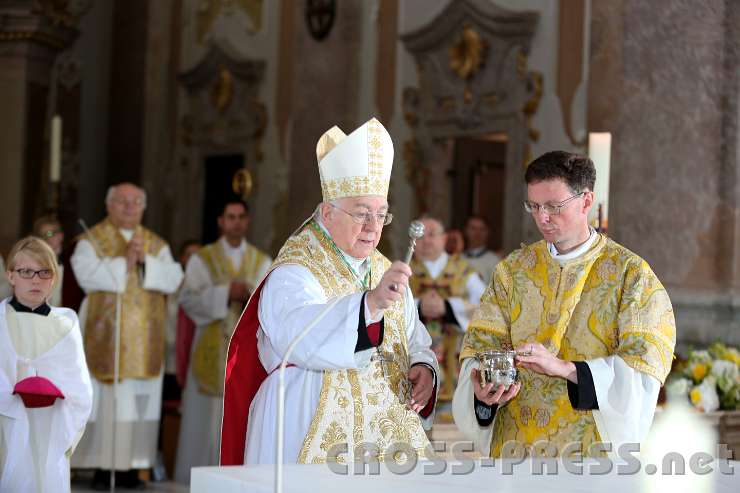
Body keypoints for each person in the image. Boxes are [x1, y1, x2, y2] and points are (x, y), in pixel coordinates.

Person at [220, 118, 439, 465]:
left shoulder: (385, 269)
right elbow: (297, 334)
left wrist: (424, 367)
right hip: (304, 422)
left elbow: (414, 338)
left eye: (381, 215)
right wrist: (369, 305)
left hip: (384, 435)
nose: (373, 227)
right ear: (327, 211)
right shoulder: (296, 267)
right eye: (362, 214)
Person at [452, 151, 676, 457]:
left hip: (586, 454)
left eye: (554, 207)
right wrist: (483, 393)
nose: (542, 217)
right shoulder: (512, 271)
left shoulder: (632, 276)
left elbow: (643, 371)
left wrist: (566, 369)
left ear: (586, 201)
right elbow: (479, 347)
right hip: (515, 449)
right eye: (534, 206)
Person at [69, 183, 184, 489]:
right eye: (122, 202)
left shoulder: (155, 243)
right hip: (103, 336)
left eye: (136, 202)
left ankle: (133, 467)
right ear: (109, 206)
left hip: (144, 338)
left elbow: (174, 278)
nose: (130, 207)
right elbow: (85, 275)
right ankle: (101, 466)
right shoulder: (91, 239)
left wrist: (146, 261)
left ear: (144, 208)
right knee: (106, 400)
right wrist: (125, 263)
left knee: (137, 401)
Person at [175, 200, 271, 482]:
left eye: (241, 217)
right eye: (231, 217)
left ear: (248, 221)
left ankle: (235, 480)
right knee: (202, 419)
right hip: (209, 345)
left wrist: (249, 293)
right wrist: (225, 293)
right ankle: (195, 478)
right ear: (221, 221)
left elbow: (272, 301)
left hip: (247, 351)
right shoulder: (201, 259)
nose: (236, 222)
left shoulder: (261, 260)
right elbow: (188, 299)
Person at [0, 236, 92, 493]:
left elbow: (78, 383)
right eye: (26, 272)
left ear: (54, 278)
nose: (36, 279)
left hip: (51, 423)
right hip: (4, 423)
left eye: (44, 272)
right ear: (10, 276)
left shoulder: (65, 325)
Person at [409, 216, 485, 419]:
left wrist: (450, 307)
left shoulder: (464, 272)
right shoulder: (403, 271)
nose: (426, 240)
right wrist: (417, 306)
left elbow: (488, 308)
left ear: (444, 239)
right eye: (421, 235)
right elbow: (386, 309)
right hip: (414, 363)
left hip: (455, 357)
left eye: (432, 234)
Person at [33, 215, 65, 306]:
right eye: (42, 236)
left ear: (60, 235)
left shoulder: (71, 263)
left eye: (50, 233)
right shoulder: (33, 266)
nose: (46, 239)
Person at [462, 215, 501, 284]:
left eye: (482, 229)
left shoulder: (494, 260)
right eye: (473, 229)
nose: (477, 233)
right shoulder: (458, 258)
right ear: (466, 230)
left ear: (488, 232)